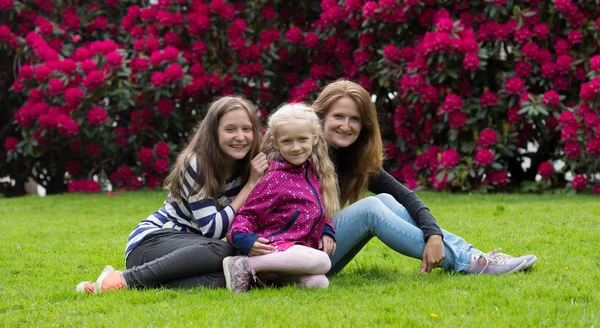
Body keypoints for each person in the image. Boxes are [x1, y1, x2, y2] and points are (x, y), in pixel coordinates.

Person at [311, 80, 537, 276]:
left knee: (388, 201)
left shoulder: (353, 158)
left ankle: (473, 255)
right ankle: (467, 263)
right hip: (300, 258)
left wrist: (434, 235)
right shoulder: (302, 155)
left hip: (322, 252)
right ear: (320, 118)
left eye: (354, 119)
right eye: (338, 117)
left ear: (364, 126)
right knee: (371, 208)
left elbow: (406, 198)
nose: (346, 126)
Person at [75, 96, 269, 293]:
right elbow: (213, 230)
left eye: (247, 129)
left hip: (194, 253)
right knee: (226, 251)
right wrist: (251, 185)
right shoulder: (196, 163)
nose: (240, 136)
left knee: (234, 276)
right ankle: (126, 279)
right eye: (230, 129)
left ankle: (109, 285)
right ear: (213, 132)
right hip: (150, 243)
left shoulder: (250, 165)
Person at [223, 103, 340, 292]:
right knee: (322, 261)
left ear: (315, 138)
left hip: (293, 254)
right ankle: (243, 265)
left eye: (302, 139)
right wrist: (246, 241)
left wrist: (327, 229)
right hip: (274, 247)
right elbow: (245, 217)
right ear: (276, 143)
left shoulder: (314, 173)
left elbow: (317, 209)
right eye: (287, 141)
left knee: (319, 283)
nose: (295, 148)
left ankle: (258, 279)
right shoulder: (275, 178)